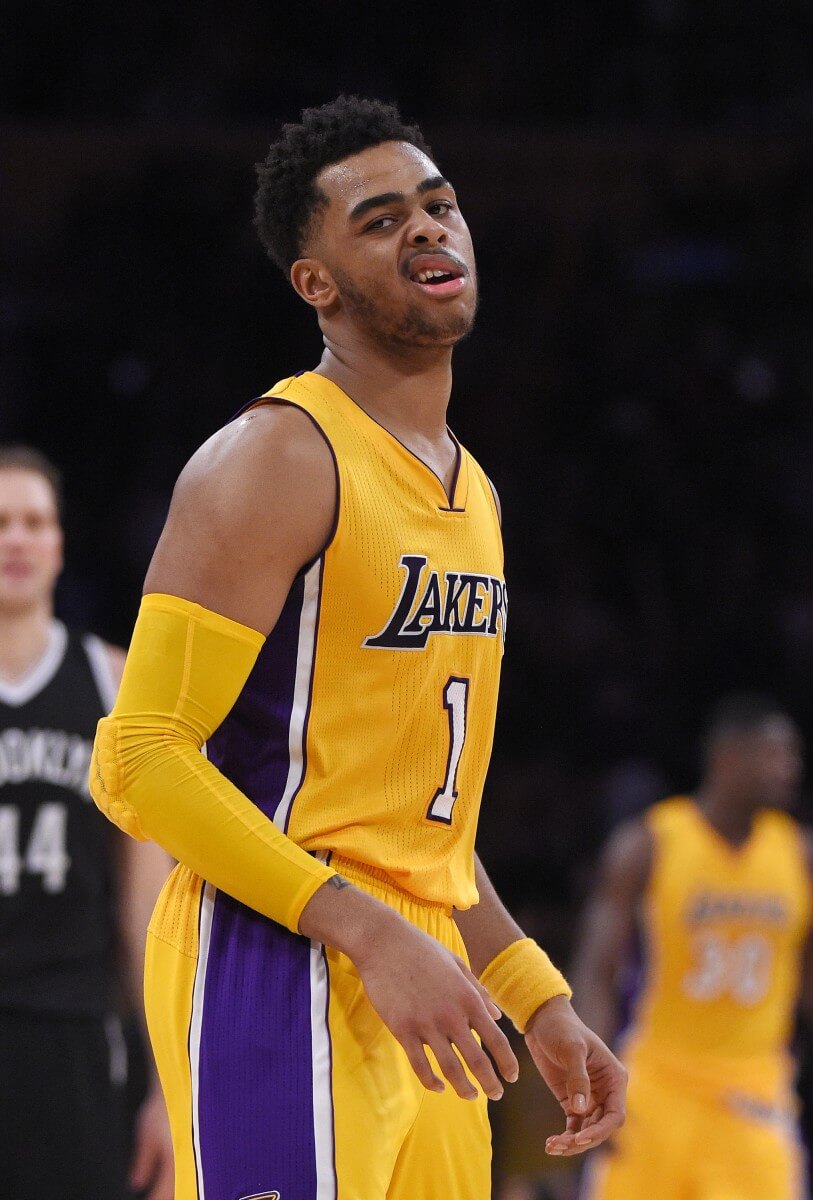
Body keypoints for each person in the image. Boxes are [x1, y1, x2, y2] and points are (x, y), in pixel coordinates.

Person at [89, 95, 626, 1200]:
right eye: (381, 221)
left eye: (439, 206)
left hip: (426, 977)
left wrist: (535, 992)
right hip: (277, 955)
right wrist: (370, 939)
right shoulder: (275, 458)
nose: (429, 230)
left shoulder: (469, 489)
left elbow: (422, 822)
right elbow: (137, 757)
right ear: (315, 284)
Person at [0, 445, 174, 1200]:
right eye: (1, 522)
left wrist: (169, 1088)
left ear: (60, 542)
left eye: (35, 521)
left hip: (74, 1031)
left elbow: (146, 911)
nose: (17, 538)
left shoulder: (110, 679)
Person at [574, 693, 812, 1200]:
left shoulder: (799, 854)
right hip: (656, 1087)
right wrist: (591, 1079)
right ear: (728, 758)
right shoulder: (650, 843)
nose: (789, 768)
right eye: (775, 754)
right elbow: (598, 971)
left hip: (753, 1089)